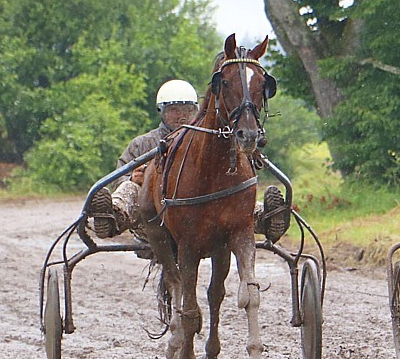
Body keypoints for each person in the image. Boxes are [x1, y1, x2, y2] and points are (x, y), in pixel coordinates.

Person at [91, 79, 288, 245]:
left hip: (198, 222)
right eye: (174, 110)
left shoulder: (208, 144)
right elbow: (117, 177)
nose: (182, 115)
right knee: (129, 189)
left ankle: (266, 220)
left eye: (187, 109)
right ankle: (109, 219)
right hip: (150, 221)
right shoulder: (142, 144)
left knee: (236, 197)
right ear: (162, 111)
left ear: (196, 110)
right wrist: (132, 178)